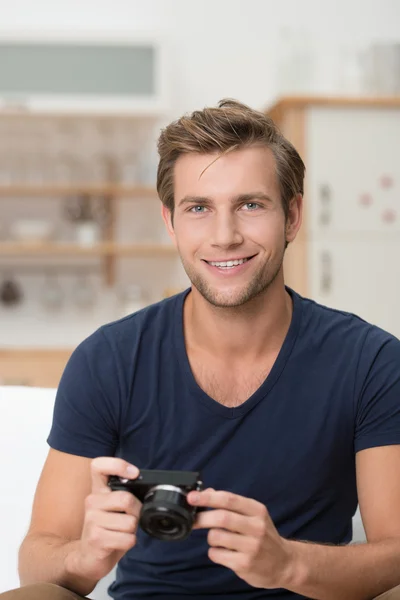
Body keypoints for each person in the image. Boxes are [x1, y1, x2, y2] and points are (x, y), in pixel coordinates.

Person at [2, 99, 400, 600]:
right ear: (170, 222)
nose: (224, 236)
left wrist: (290, 563)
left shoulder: (370, 361)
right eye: (199, 208)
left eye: (250, 205)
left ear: (293, 215)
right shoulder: (108, 359)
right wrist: (84, 558)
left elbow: (396, 552)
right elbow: (37, 557)